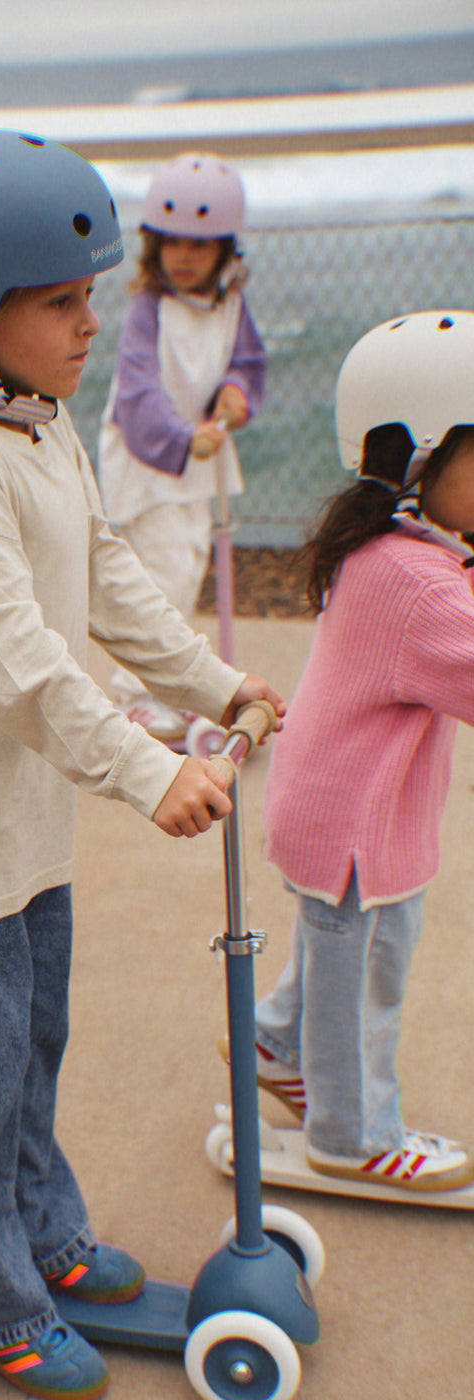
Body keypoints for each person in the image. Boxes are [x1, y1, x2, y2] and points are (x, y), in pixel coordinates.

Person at [0, 129, 284, 1400]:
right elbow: (14, 663)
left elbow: (107, 583)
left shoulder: (39, 428)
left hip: (23, 819)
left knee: (30, 1047)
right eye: (62, 300)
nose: (94, 321)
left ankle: (39, 1236)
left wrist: (214, 685)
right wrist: (149, 770)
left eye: (95, 293)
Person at [250, 310, 474, 1192]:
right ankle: (350, 1131)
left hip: (346, 812)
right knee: (363, 983)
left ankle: (275, 1041)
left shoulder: (390, 549)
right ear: (421, 459)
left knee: (335, 957)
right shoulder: (417, 583)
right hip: (355, 830)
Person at [97, 153, 267, 743]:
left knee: (189, 564)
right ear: (153, 246)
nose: (185, 258)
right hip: (152, 459)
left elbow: (245, 363)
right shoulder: (149, 309)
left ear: (224, 249)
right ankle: (133, 694)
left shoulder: (230, 305)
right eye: (172, 244)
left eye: (199, 245)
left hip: (200, 458)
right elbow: (137, 391)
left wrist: (237, 393)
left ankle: (181, 687)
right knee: (160, 577)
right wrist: (179, 437)